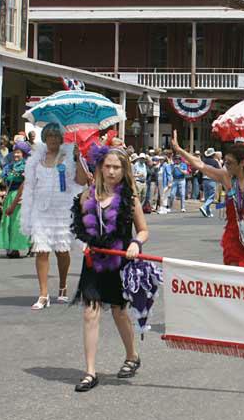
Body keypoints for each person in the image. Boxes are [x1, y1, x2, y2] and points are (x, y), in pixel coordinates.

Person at [70, 146, 149, 392]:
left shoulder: (130, 199)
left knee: (119, 312)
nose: (112, 171)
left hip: (120, 260)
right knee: (90, 312)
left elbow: (144, 230)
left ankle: (132, 355)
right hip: (94, 260)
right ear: (100, 168)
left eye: (117, 167)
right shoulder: (87, 197)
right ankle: (90, 372)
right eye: (108, 167)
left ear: (124, 170)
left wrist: (136, 243)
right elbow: (80, 227)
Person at [171, 131, 244, 269]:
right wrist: (179, 150)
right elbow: (200, 165)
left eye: (230, 163)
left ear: (242, 163)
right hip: (234, 235)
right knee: (235, 275)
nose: (226, 165)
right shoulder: (226, 176)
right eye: (225, 161)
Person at [20, 123, 88, 310]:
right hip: (41, 210)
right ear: (45, 138)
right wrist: (24, 206)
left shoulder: (68, 157)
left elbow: (81, 181)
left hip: (62, 209)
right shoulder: (36, 159)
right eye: (49, 137)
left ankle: (63, 285)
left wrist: (78, 157)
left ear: (61, 138)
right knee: (41, 250)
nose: (52, 140)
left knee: (62, 250)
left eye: (56, 137)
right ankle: (43, 294)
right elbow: (30, 185)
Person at [0, 141, 32, 258]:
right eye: (14, 152)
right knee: (9, 223)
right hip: (10, 196)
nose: (16, 155)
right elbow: (4, 182)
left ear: (23, 154)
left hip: (22, 196)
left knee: (19, 222)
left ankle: (28, 244)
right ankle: (12, 247)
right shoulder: (9, 166)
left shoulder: (27, 166)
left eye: (18, 152)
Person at [199, 148, 221, 217]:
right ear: (213, 154)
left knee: (207, 197)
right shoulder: (214, 162)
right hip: (211, 180)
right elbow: (218, 171)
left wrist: (200, 181)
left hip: (204, 180)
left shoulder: (203, 161)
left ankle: (208, 212)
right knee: (211, 197)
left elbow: (200, 171)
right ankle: (204, 207)